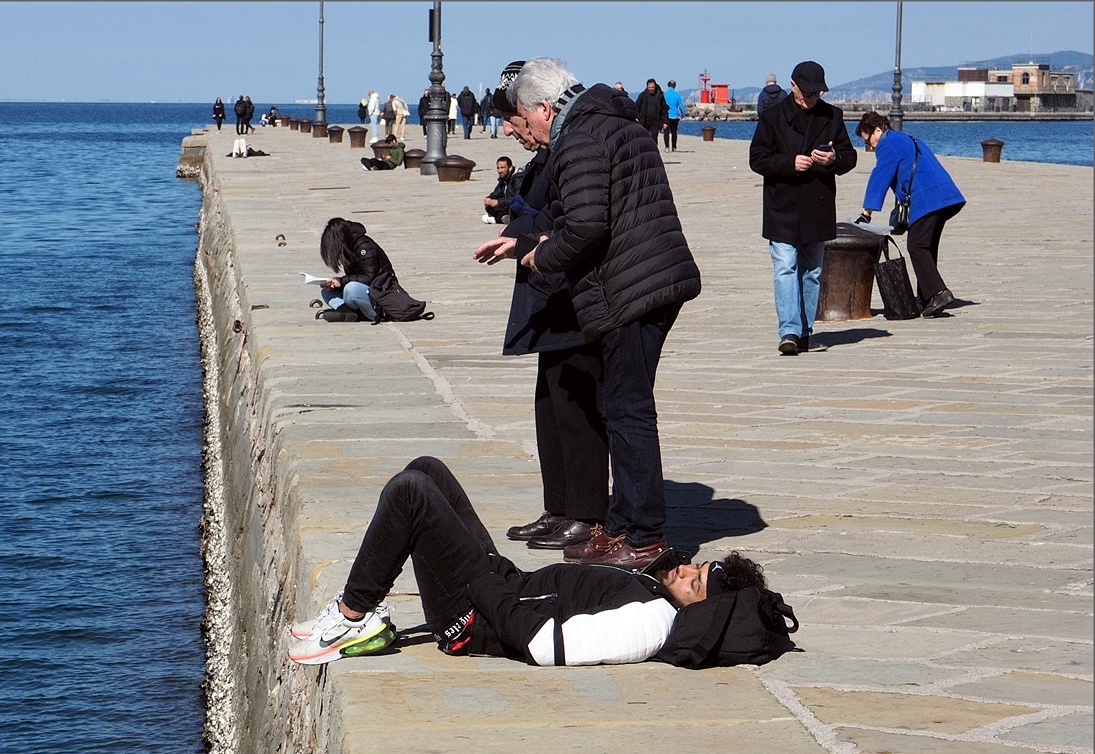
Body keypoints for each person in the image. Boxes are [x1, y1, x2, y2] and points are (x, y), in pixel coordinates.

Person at [286, 456, 774, 667]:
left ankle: (351, 618)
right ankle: (357, 611)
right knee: (427, 470)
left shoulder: (651, 623)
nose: (685, 571)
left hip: (472, 618)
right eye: (697, 567)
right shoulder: (656, 594)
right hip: (501, 587)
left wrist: (482, 583)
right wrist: (496, 575)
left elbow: (546, 646)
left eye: (696, 583)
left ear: (701, 612)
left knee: (409, 492)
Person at [504, 57, 702, 571]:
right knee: (620, 404)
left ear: (545, 108)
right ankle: (620, 524)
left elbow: (587, 225)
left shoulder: (581, 137)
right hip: (650, 278)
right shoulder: (614, 122)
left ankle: (643, 535)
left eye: (528, 117)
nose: (532, 131)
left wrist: (537, 255)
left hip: (633, 287)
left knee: (627, 408)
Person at [473, 60, 609, 556]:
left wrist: (524, 228)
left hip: (573, 295)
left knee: (578, 405)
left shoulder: (569, 150)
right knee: (549, 406)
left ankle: (588, 512)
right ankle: (560, 506)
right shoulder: (546, 155)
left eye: (514, 122)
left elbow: (571, 219)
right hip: (548, 293)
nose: (513, 133)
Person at [748, 60, 857, 356]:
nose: (810, 99)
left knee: (812, 272)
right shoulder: (772, 117)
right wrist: (789, 163)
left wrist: (832, 159)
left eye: (816, 94)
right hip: (782, 204)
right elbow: (757, 158)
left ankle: (805, 332)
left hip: (817, 204)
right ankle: (789, 331)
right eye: (806, 93)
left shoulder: (833, 116)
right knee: (785, 267)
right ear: (792, 85)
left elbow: (850, 157)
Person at [853, 111, 965, 317]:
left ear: (877, 130)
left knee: (916, 245)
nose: (870, 147)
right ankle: (926, 298)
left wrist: (866, 212)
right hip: (944, 195)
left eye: (868, 141)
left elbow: (880, 176)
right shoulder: (906, 138)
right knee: (927, 247)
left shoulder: (888, 143)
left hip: (927, 198)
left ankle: (939, 292)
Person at [313, 217, 428, 323]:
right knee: (326, 291)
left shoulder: (365, 246)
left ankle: (367, 314)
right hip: (364, 290)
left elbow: (370, 278)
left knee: (351, 288)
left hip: (379, 291)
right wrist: (335, 285)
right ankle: (348, 312)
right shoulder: (349, 249)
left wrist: (342, 281)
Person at [482, 155, 516, 223]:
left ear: (510, 168)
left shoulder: (516, 180)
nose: (500, 171)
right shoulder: (503, 180)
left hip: (517, 206)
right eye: (498, 168)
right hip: (507, 206)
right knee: (489, 207)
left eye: (502, 168)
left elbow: (516, 199)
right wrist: (489, 198)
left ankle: (498, 219)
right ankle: (502, 218)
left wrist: (498, 202)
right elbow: (496, 193)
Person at [634, 78, 666, 144]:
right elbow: (637, 106)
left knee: (654, 138)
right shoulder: (643, 95)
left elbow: (664, 109)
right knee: (643, 137)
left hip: (655, 120)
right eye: (650, 87)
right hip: (644, 120)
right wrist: (636, 117)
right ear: (647, 87)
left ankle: (653, 151)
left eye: (652, 87)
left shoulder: (660, 95)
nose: (651, 89)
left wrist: (665, 122)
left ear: (655, 86)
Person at [662, 80, 685, 151]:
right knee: (674, 132)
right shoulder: (677, 95)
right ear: (674, 86)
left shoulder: (665, 95)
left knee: (666, 132)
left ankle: (666, 147)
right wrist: (683, 115)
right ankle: (674, 147)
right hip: (675, 116)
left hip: (666, 116)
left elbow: (661, 105)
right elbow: (681, 106)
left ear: (668, 85)